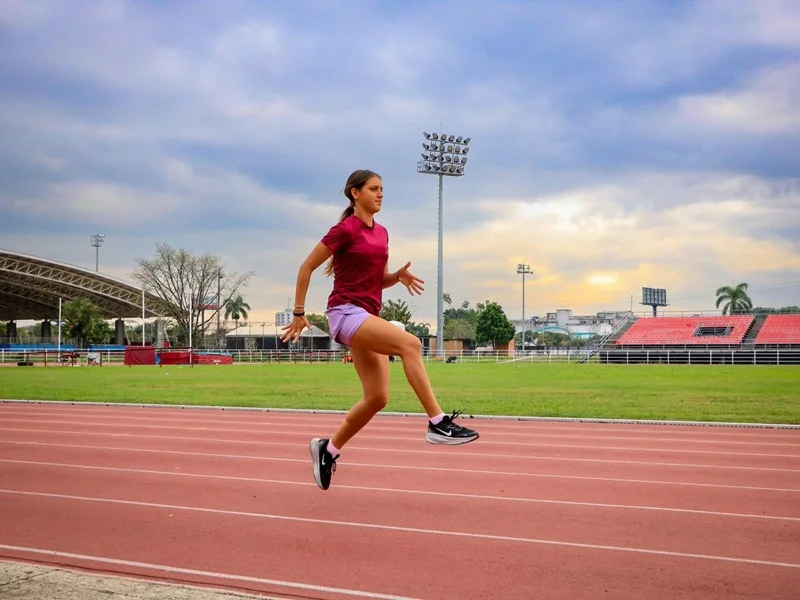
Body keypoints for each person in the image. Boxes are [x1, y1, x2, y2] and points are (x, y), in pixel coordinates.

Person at [281, 169, 479, 491]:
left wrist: (396, 277)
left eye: (383, 189)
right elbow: (306, 267)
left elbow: (377, 280)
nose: (381, 193)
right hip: (345, 313)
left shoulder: (382, 233)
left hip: (367, 315)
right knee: (411, 344)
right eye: (374, 188)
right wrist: (300, 312)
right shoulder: (345, 229)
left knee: (377, 398)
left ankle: (328, 450)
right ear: (355, 193)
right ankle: (438, 422)